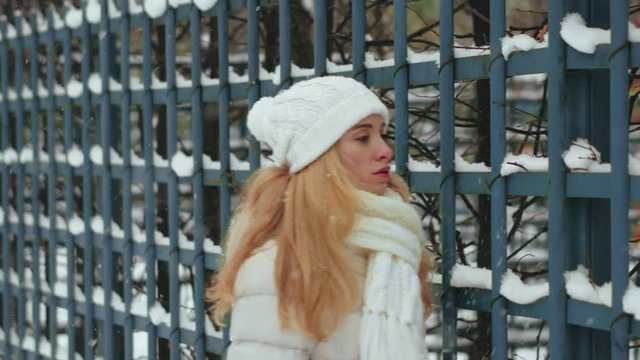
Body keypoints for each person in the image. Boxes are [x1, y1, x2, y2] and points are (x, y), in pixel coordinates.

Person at [207, 76, 432, 360]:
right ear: (319, 155)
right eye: (363, 138)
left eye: (381, 134)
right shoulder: (282, 263)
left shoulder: (387, 244)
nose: (385, 150)